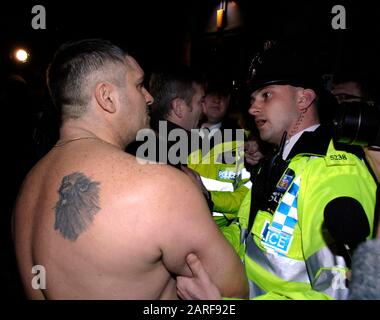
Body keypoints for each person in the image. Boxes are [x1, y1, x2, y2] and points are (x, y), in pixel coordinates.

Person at [12, 39, 248, 299]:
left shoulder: (27, 190)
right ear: (107, 97)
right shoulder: (159, 188)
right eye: (138, 85)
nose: (149, 98)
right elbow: (234, 293)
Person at [177, 42, 377, 300]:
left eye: (266, 95)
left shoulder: (333, 171)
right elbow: (245, 235)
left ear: (303, 99)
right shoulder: (279, 160)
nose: (252, 108)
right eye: (252, 99)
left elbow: (337, 294)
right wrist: (193, 249)